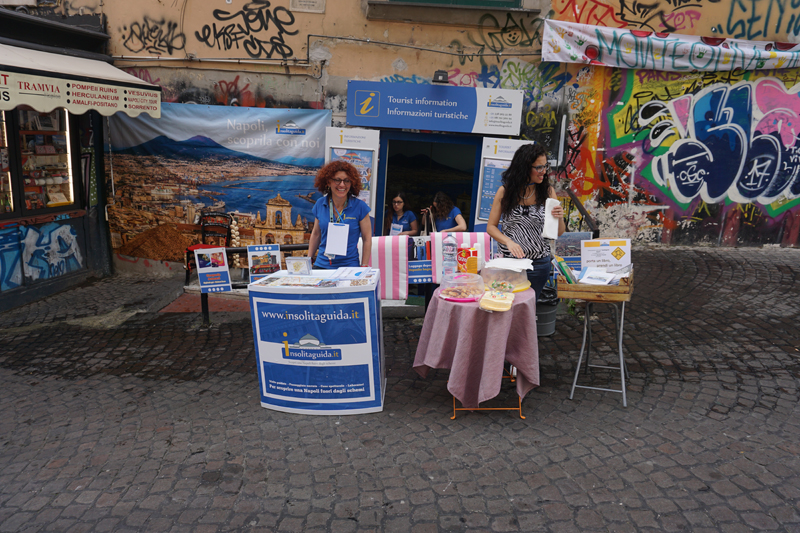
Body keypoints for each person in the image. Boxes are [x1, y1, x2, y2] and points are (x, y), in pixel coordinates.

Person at [486, 144, 565, 301]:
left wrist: (560, 217)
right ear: (524, 168)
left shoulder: (548, 192)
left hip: (539, 263)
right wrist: (508, 241)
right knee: (507, 304)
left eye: (545, 166)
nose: (544, 171)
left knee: (528, 307)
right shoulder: (505, 191)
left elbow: (559, 232)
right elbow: (491, 227)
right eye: (539, 167)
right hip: (510, 263)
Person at [308, 161, 372, 268]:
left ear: (351, 183)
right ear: (328, 182)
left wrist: (364, 265)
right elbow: (316, 234)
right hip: (322, 264)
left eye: (346, 181)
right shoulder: (320, 204)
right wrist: (309, 259)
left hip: (349, 266)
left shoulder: (360, 207)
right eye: (337, 180)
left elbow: (367, 238)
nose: (342, 185)